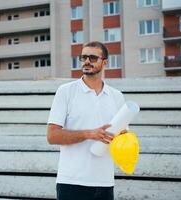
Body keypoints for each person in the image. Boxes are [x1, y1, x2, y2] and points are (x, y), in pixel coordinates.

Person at [47, 41, 125, 200]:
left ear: (104, 62)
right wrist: (90, 134)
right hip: (72, 182)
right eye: (83, 57)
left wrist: (123, 138)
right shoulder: (66, 92)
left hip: (105, 183)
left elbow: (122, 136)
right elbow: (52, 136)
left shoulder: (117, 96)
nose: (87, 61)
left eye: (92, 57)